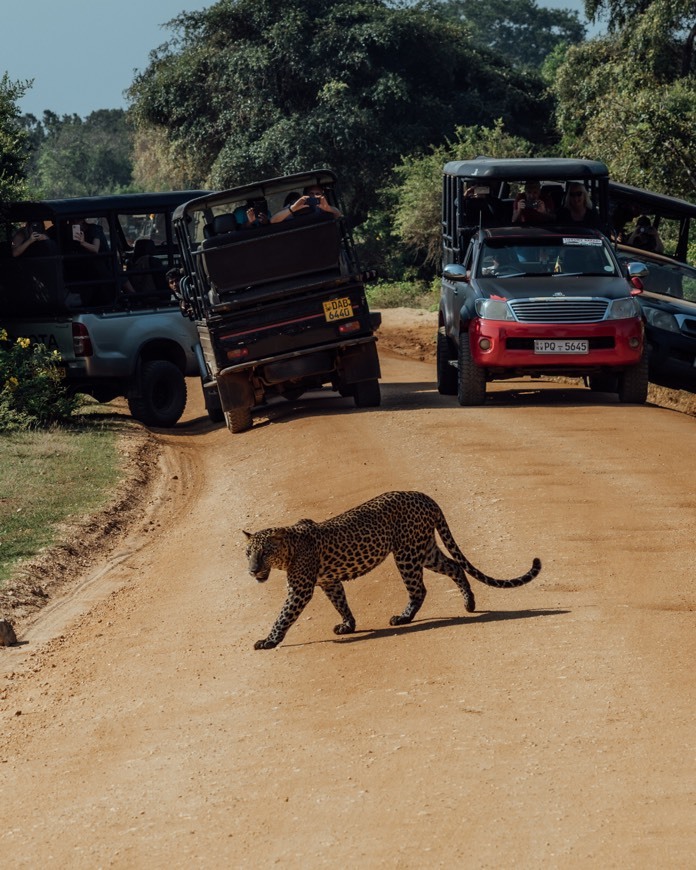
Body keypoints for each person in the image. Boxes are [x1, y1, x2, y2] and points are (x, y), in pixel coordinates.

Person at [271, 184, 342, 223]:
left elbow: (338, 215)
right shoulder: (296, 205)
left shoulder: (322, 206)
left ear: (322, 196)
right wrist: (292, 209)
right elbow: (273, 220)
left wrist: (328, 208)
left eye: (317, 194)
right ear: (305, 195)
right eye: (311, 193)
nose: (314, 196)